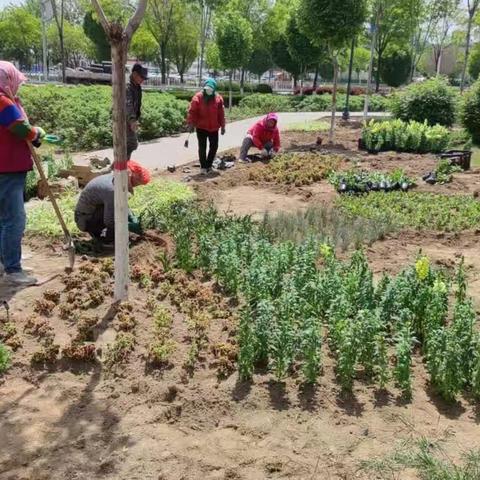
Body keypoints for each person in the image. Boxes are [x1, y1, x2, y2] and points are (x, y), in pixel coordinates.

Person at [0, 61, 45, 286]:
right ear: (7, 79)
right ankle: (12, 269)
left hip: (6, 168)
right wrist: (37, 132)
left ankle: (5, 259)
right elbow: (21, 129)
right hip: (7, 169)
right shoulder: (3, 102)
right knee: (14, 219)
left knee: (3, 219)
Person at [74, 161, 151, 244]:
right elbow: (110, 220)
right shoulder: (112, 190)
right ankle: (107, 241)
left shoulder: (116, 178)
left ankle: (107, 236)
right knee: (117, 218)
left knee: (119, 212)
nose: (134, 186)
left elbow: (121, 204)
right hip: (85, 220)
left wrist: (131, 216)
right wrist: (128, 225)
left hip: (93, 212)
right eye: (135, 184)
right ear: (129, 177)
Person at [187, 78, 226, 175]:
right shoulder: (198, 97)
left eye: (210, 89)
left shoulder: (218, 98)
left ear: (214, 89)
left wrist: (223, 126)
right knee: (202, 147)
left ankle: (209, 165)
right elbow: (192, 112)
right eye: (207, 89)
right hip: (201, 127)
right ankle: (203, 167)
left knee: (214, 147)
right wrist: (191, 124)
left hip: (214, 127)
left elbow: (221, 114)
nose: (208, 91)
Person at [126, 63, 148, 160]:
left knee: (130, 145)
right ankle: (118, 168)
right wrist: (132, 120)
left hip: (131, 118)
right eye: (141, 77)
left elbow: (137, 104)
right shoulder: (127, 86)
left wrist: (137, 117)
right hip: (124, 119)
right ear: (134, 74)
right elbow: (128, 104)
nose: (143, 80)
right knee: (131, 144)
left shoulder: (137, 86)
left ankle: (123, 167)